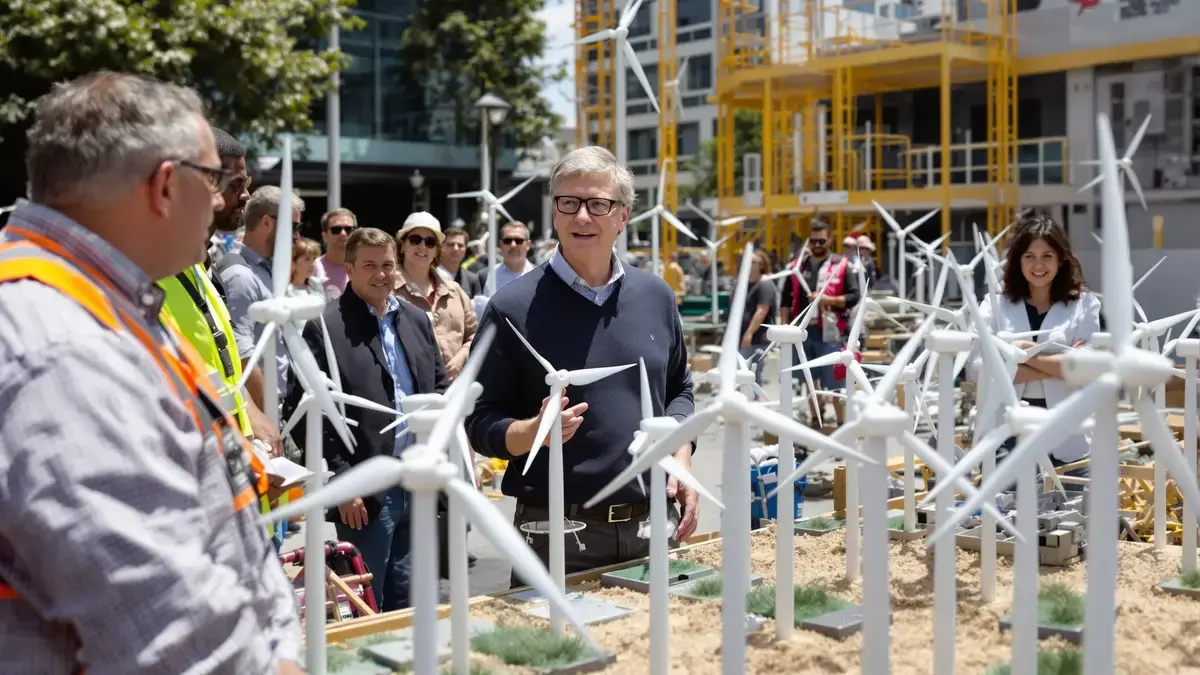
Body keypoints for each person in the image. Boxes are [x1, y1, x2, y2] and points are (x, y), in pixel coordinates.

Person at [0, 71, 301, 674]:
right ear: (166, 186)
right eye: (214, 180)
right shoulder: (69, 352)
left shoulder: (95, 306)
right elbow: (175, 637)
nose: (222, 204)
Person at [465, 145, 699, 587]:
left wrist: (681, 458)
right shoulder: (511, 307)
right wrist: (532, 433)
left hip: (654, 526)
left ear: (623, 216)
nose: (582, 217)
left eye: (598, 204)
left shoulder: (657, 297)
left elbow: (680, 392)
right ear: (554, 213)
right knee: (562, 656)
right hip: (556, 534)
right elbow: (478, 421)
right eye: (568, 203)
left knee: (661, 654)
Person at [286, 227, 449, 611]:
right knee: (364, 599)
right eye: (370, 266)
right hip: (366, 492)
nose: (382, 274)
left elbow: (439, 386)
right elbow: (309, 410)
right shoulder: (324, 326)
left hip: (419, 480)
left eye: (388, 265)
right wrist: (344, 482)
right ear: (350, 269)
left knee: (412, 598)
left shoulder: (417, 319)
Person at [965, 214, 1100, 478]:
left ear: (1061, 259)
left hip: (1068, 431)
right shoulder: (995, 304)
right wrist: (1059, 366)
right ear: (1017, 260)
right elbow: (978, 369)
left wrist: (1021, 354)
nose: (1038, 264)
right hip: (1006, 432)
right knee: (1008, 512)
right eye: (1029, 256)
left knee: (1071, 512)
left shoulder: (1084, 304)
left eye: (1047, 256)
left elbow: (1088, 366)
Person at [218, 185, 302, 408]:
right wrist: (268, 415)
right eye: (293, 227)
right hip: (263, 410)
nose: (297, 236)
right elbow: (240, 351)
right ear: (267, 223)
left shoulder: (266, 268)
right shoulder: (240, 275)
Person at [779, 220, 860, 427]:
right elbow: (785, 301)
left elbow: (854, 296)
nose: (817, 245)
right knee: (809, 378)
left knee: (833, 381)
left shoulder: (842, 265)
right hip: (803, 332)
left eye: (821, 241)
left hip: (831, 333)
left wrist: (827, 300)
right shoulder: (797, 266)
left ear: (830, 240)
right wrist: (784, 329)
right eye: (813, 241)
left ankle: (842, 421)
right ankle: (817, 418)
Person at [394, 213, 478, 380]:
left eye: (430, 242)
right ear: (402, 245)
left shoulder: (454, 290)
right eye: (415, 239)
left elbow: (474, 333)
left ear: (437, 250)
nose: (423, 247)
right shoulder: (387, 291)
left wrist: (461, 357)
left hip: (455, 390)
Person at [206, 128, 252, 272]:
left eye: (246, 184)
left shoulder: (201, 264)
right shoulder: (167, 267)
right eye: (236, 184)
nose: (246, 195)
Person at [739, 251, 777, 389]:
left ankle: (755, 403)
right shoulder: (746, 284)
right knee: (744, 374)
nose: (749, 264)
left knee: (753, 375)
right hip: (744, 336)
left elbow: (762, 310)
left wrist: (749, 333)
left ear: (761, 265)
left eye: (753, 262)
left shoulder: (764, 284)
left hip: (756, 338)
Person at [314, 207, 357, 300]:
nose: (343, 234)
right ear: (324, 236)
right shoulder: (312, 269)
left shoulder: (366, 269)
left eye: (348, 229)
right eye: (336, 230)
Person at [485, 221, 536, 295]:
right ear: (501, 244)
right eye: (507, 241)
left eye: (518, 240)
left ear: (528, 245)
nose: (513, 245)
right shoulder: (486, 276)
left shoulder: (541, 277)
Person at [439, 224, 483, 298]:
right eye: (451, 244)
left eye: (460, 245)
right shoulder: (429, 275)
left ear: (465, 249)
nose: (456, 248)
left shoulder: (472, 280)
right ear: (441, 247)